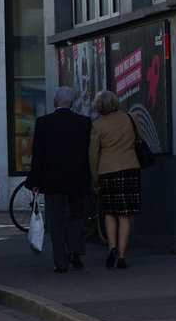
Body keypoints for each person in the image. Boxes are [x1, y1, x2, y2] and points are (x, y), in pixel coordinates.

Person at [26, 86, 92, 273]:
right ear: (72, 102)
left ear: (55, 102)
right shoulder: (84, 122)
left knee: (56, 221)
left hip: (52, 181)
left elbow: (38, 154)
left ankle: (60, 262)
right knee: (77, 216)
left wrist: (35, 181)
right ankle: (76, 254)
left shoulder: (44, 123)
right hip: (78, 179)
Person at [90, 90, 141, 269]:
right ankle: (122, 255)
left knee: (110, 213)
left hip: (107, 171)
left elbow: (93, 156)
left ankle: (111, 247)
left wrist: (96, 180)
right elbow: (139, 139)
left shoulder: (97, 126)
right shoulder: (131, 118)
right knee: (124, 214)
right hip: (129, 169)